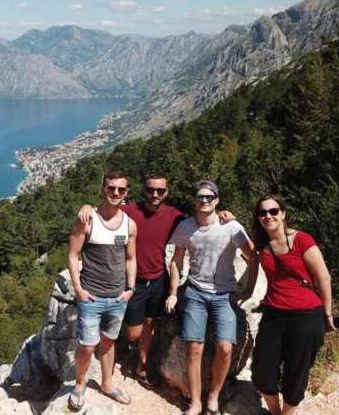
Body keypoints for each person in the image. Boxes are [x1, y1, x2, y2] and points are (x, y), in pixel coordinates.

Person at [76, 173, 235, 389]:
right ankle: (116, 353)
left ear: (166, 192)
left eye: (160, 191)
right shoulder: (130, 210)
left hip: (158, 279)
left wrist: (223, 215)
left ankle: (141, 366)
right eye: (151, 190)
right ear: (144, 190)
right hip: (134, 281)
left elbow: (201, 216)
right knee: (133, 332)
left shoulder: (174, 216)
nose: (155, 194)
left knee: (150, 324)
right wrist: (87, 206)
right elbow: (107, 207)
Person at [165, 179, 258, 415]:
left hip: (224, 294)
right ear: (194, 200)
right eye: (200, 197)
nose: (204, 201)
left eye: (209, 197)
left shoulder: (231, 227)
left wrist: (248, 290)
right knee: (194, 347)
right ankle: (195, 402)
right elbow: (176, 261)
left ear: (216, 200)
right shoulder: (185, 227)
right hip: (195, 292)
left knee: (225, 348)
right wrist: (173, 292)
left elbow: (253, 257)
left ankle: (213, 398)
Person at [250, 194, 336, 415]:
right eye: (262, 212)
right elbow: (242, 244)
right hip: (274, 315)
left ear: (283, 213)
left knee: (296, 373)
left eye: (273, 211)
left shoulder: (301, 239)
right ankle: (274, 412)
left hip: (306, 316)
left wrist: (327, 315)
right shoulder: (262, 244)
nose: (268, 216)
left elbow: (323, 277)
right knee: (261, 370)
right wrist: (227, 218)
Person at [67, 169, 138, 411]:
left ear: (126, 192)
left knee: (108, 341)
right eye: (111, 188)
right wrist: (78, 288)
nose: (115, 193)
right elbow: (73, 254)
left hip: (118, 296)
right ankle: (80, 384)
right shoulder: (87, 220)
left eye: (121, 189)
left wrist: (130, 288)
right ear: (103, 188)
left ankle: (107, 384)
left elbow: (130, 258)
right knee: (88, 345)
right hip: (91, 295)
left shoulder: (129, 225)